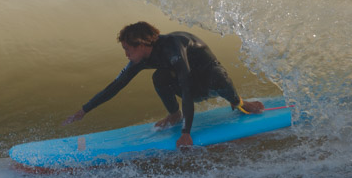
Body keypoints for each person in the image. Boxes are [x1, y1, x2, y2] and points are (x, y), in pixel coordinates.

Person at [64, 22, 265, 148]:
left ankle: (239, 102)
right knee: (159, 77)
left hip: (208, 78)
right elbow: (116, 85)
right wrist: (84, 110)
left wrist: (186, 134)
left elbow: (186, 89)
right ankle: (174, 114)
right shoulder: (141, 58)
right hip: (189, 83)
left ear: (141, 44)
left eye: (127, 49)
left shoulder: (174, 48)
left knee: (219, 77)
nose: (126, 54)